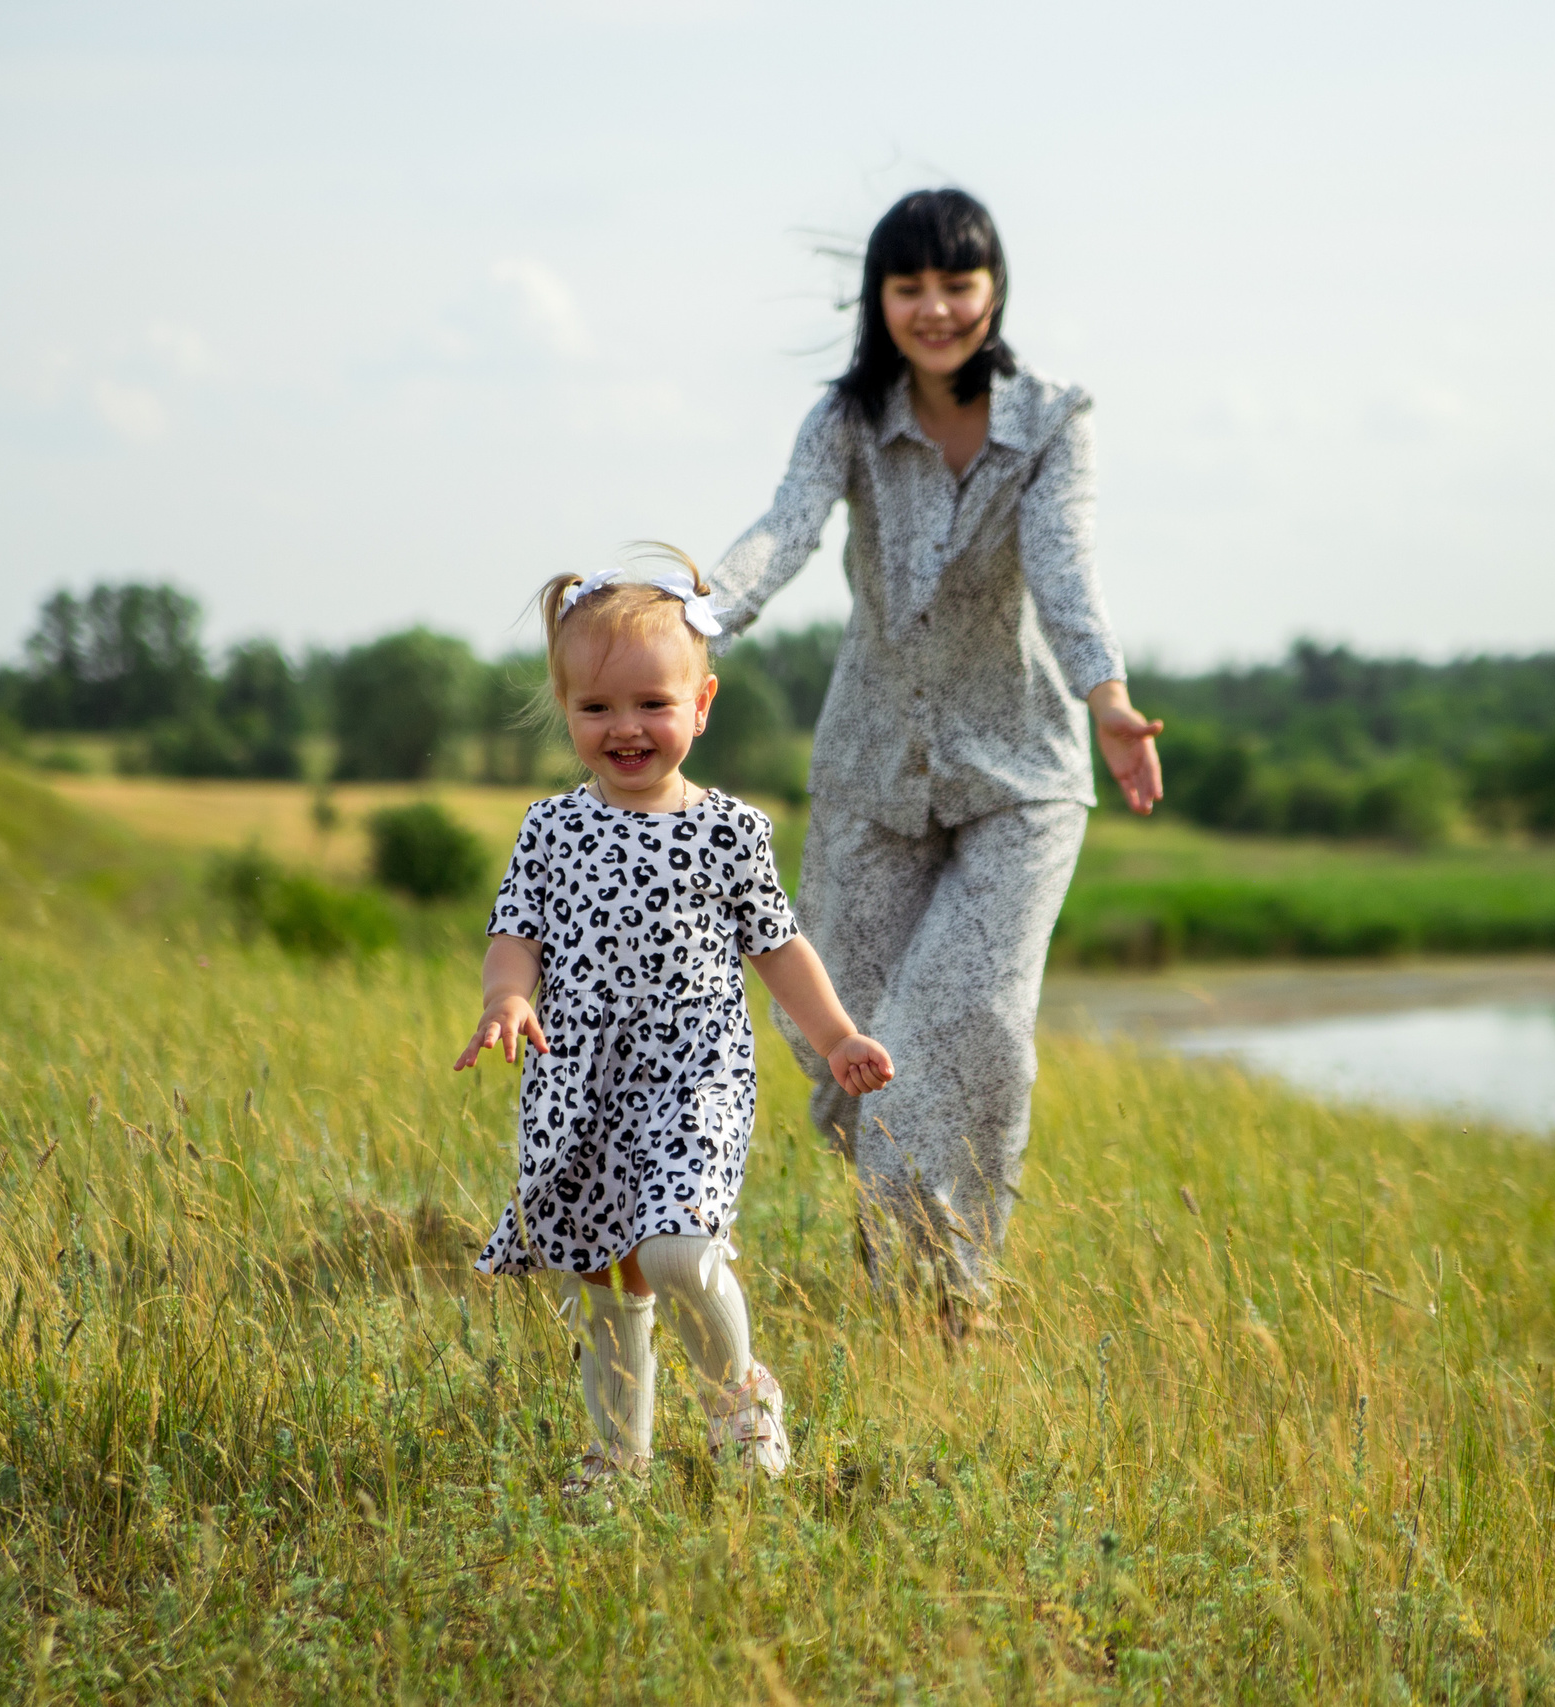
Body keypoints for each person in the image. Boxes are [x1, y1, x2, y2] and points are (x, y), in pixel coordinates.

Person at [706, 188, 1162, 1329]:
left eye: (957, 283)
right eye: (909, 286)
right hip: (871, 765)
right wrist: (692, 615)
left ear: (993, 287)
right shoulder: (848, 418)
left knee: (966, 1019)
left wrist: (1106, 697)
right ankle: (904, 1250)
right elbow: (785, 527)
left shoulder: (1054, 419)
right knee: (839, 1034)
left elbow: (1064, 568)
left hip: (1021, 773)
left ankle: (950, 1297)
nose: (936, 307)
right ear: (880, 298)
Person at [455, 552, 895, 1497]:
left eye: (652, 703)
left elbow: (778, 949)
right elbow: (514, 936)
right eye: (597, 708)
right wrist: (507, 999)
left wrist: (839, 1038)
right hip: (578, 1082)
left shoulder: (729, 829)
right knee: (611, 1286)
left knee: (679, 1248)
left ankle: (742, 1399)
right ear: (567, 709)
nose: (626, 729)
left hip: (693, 1072)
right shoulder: (549, 828)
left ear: (700, 704)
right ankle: (620, 1459)